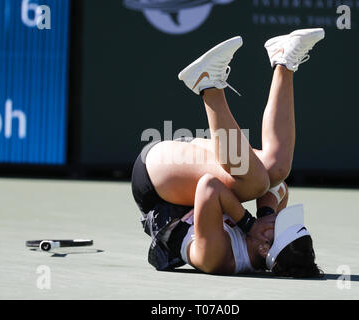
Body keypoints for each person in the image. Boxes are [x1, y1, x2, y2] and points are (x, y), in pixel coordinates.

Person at [131, 28, 325, 277]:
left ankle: (208, 85)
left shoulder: (217, 259)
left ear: (265, 248)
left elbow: (209, 187)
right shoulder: (261, 239)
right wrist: (263, 216)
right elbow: (279, 188)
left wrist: (247, 222)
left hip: (154, 179)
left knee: (256, 182)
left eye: (278, 225)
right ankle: (283, 62)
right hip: (187, 170)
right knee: (276, 169)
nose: (279, 218)